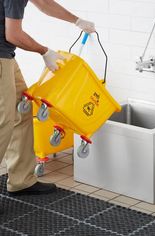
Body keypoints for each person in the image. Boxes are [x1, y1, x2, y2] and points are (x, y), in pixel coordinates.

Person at [0, 0, 95, 201]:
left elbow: (43, 2)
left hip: (6, 55)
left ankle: (21, 180)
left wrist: (77, 20)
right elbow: (13, 35)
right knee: (3, 123)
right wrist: (45, 51)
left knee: (21, 109)